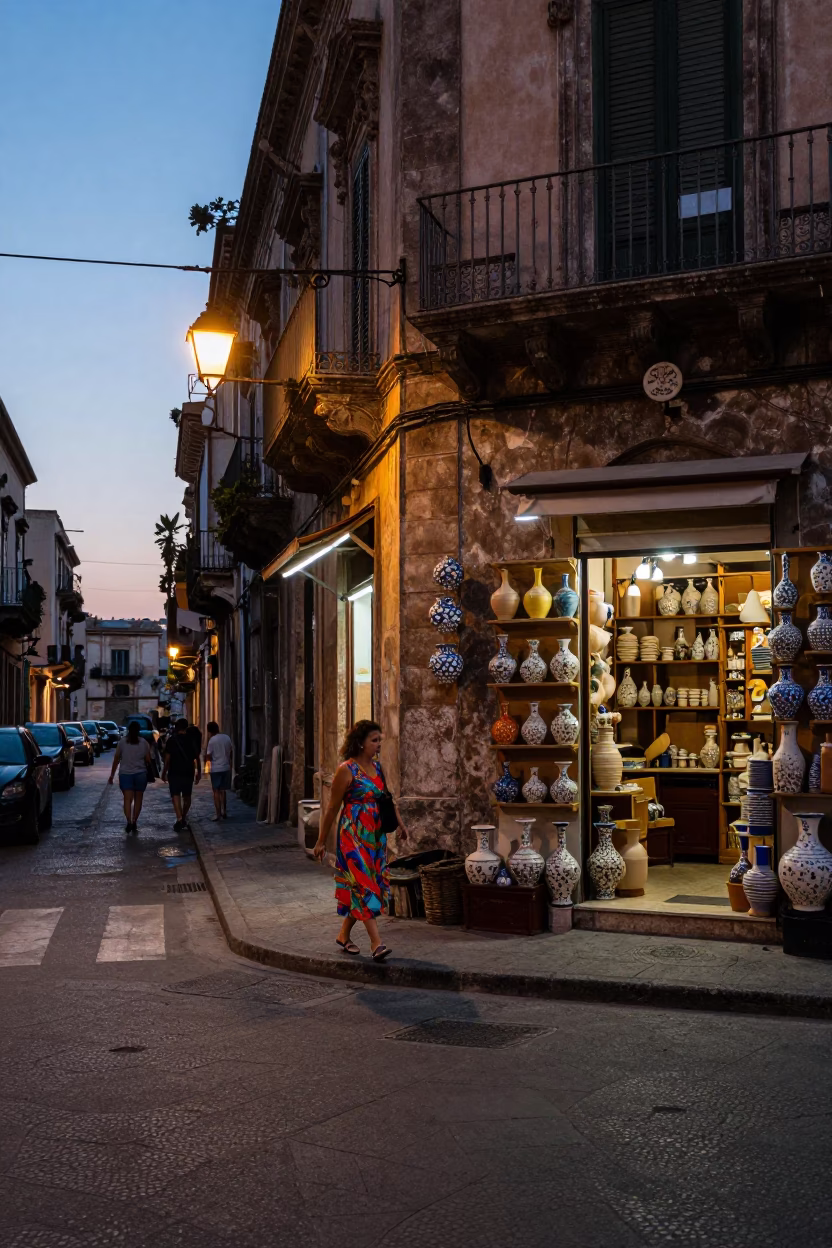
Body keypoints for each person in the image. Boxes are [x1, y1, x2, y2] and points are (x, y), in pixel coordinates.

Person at [313, 719, 407, 961]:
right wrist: (321, 841)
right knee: (364, 885)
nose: (378, 745)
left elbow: (387, 799)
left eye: (379, 740)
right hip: (352, 837)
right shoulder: (346, 769)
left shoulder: (378, 768)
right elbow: (332, 808)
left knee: (367, 885)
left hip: (375, 838)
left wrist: (400, 825)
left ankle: (344, 935)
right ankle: (376, 943)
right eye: (374, 740)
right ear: (360, 742)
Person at [107, 721, 152, 834]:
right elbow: (148, 760)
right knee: (138, 799)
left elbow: (116, 759)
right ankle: (134, 820)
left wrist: (112, 775)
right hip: (141, 774)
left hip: (125, 774)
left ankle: (129, 822)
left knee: (127, 799)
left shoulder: (122, 742)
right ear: (138, 731)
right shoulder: (144, 743)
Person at [161, 717, 200, 832]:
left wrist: (164, 772)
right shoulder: (191, 740)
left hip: (175, 771)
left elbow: (167, 759)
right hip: (188, 771)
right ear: (186, 727)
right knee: (187, 796)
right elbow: (197, 757)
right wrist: (199, 772)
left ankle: (179, 818)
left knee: (175, 795)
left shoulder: (172, 740)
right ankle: (183, 816)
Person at [205, 721, 233, 821]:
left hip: (216, 769)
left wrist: (208, 765)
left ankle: (217, 814)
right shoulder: (226, 737)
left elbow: (208, 755)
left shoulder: (212, 740)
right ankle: (224, 811)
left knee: (216, 791)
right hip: (226, 767)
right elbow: (231, 751)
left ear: (209, 731)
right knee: (223, 791)